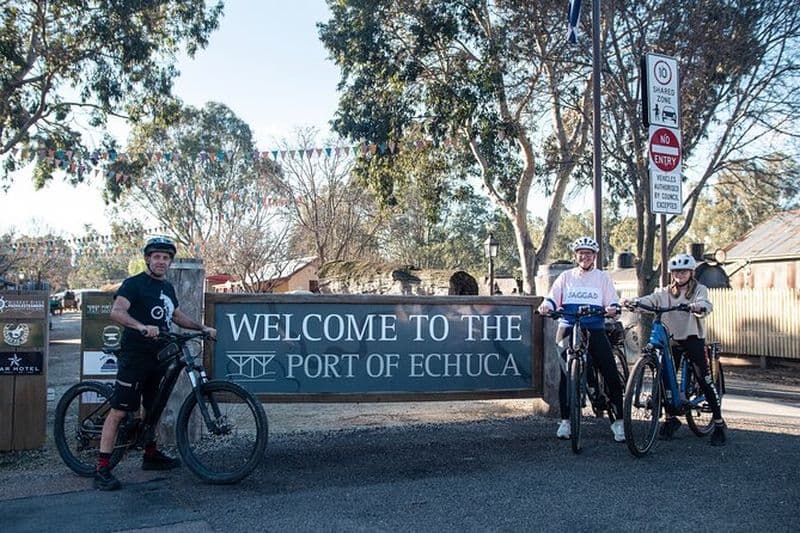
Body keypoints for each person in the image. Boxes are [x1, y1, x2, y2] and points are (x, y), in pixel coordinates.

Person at [94, 236, 217, 491]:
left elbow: (177, 316)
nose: (161, 261)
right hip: (135, 355)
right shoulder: (134, 284)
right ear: (148, 259)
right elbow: (117, 311)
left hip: (158, 356)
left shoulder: (167, 289)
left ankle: (150, 454)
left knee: (153, 407)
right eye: (157, 257)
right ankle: (102, 468)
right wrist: (140, 327)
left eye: (165, 257)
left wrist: (202, 327)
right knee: (119, 410)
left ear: (170, 262)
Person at [620, 253, 726, 446]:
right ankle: (671, 419)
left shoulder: (698, 290)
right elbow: (650, 300)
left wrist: (698, 307)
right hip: (671, 341)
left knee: (704, 379)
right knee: (665, 379)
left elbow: (705, 303)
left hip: (691, 338)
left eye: (684, 271)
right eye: (676, 272)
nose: (680, 275)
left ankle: (719, 423)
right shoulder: (664, 293)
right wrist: (632, 302)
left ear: (691, 272)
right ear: (672, 273)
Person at [538, 237, 625, 443]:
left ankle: (619, 421)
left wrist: (613, 308)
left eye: (588, 253)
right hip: (568, 328)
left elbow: (612, 300)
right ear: (575, 256)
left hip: (594, 328)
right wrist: (546, 306)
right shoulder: (566, 277)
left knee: (610, 371)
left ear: (594, 256)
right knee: (566, 376)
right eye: (580, 253)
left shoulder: (602, 278)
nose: (584, 257)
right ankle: (566, 421)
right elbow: (552, 298)